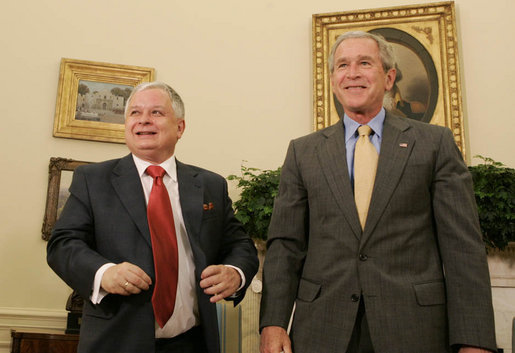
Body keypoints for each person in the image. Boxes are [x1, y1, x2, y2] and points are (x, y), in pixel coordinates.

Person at [259, 31, 496, 353]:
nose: (352, 73)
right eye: (342, 65)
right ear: (332, 80)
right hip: (322, 327)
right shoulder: (304, 152)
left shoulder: (433, 143)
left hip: (413, 328)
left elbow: (462, 247)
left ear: (388, 78)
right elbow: (286, 245)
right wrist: (273, 323)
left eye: (364, 63)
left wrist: (474, 340)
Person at [47, 81, 258, 353]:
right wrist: (104, 273)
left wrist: (235, 273)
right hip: (115, 343)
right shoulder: (93, 180)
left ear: (180, 127)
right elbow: (62, 244)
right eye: (135, 113)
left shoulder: (210, 185)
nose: (143, 120)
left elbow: (240, 246)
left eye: (156, 113)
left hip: (192, 343)